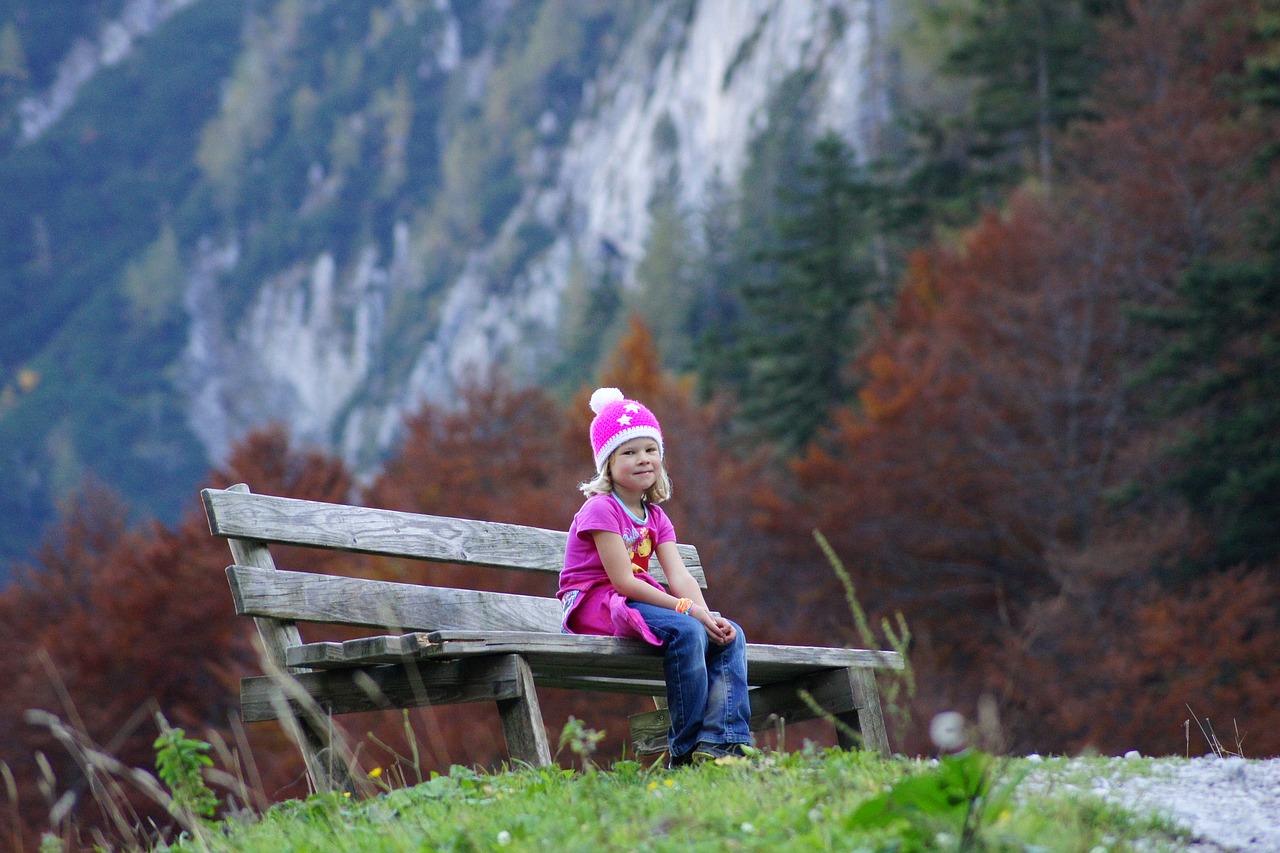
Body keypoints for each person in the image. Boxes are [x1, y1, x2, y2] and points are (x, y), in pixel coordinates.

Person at [558, 387, 752, 767]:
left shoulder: (657, 518)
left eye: (650, 450)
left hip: (633, 602)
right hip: (593, 606)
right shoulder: (601, 510)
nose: (643, 459)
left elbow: (679, 576)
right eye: (629, 452)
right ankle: (684, 750)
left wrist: (708, 615)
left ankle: (722, 744)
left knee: (729, 635)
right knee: (687, 630)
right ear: (608, 466)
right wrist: (688, 613)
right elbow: (623, 583)